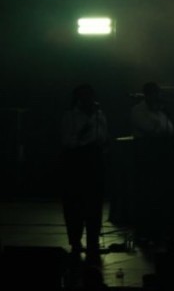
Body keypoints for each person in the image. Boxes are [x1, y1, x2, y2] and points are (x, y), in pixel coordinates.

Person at [59, 84, 110, 260]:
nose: (89, 100)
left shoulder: (99, 114)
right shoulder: (70, 116)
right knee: (75, 204)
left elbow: (104, 135)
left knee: (95, 203)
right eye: (85, 97)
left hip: (96, 160)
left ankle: (93, 241)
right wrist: (84, 134)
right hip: (77, 161)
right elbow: (67, 140)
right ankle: (75, 241)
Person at [129, 81, 174, 249]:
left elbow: (170, 131)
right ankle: (146, 232)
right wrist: (158, 118)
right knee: (147, 195)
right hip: (147, 158)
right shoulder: (138, 110)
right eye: (154, 94)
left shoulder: (162, 112)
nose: (157, 97)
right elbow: (151, 129)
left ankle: (161, 232)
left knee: (162, 196)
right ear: (147, 95)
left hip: (162, 159)